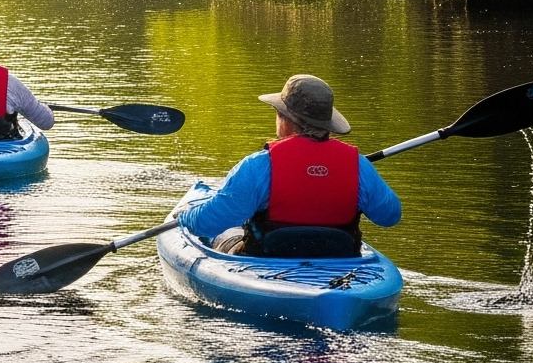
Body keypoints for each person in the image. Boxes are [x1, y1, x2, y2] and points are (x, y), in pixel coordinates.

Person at [172, 74, 402, 256]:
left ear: (285, 120)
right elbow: (390, 216)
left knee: (227, 231)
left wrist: (185, 217)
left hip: (265, 260)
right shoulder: (358, 166)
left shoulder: (258, 165)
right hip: (338, 261)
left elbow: (208, 222)